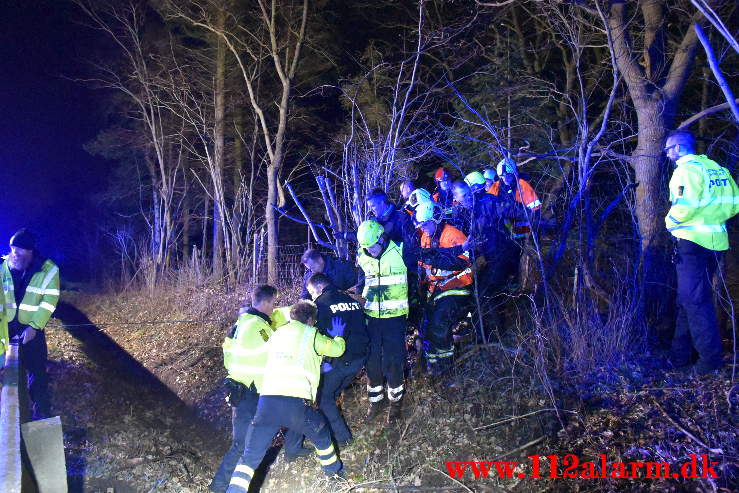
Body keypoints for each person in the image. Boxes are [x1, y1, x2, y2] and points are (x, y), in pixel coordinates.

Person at [225, 301, 347, 492]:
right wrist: (339, 336)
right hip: (296, 404)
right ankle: (336, 477)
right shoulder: (311, 333)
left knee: (249, 457)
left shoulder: (277, 333)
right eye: (313, 321)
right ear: (310, 320)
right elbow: (337, 350)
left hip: (266, 404)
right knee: (322, 435)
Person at [664, 129, 739, 375]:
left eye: (668, 149)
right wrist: (711, 218)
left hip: (691, 242)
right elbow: (734, 203)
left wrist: (670, 223)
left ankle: (709, 362)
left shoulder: (685, 172)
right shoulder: (716, 168)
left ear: (677, 148)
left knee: (696, 301)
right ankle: (679, 356)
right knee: (688, 298)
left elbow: (683, 207)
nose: (667, 155)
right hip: (715, 242)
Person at [284, 273, 368, 455]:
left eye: (311, 293)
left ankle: (344, 439)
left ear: (317, 288)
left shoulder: (320, 306)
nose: (311, 297)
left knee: (323, 398)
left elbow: (315, 338)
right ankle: (328, 423)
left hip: (340, 359)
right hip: (360, 357)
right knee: (331, 390)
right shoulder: (350, 300)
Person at [210, 285, 281, 492]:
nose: (273, 308)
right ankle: (226, 486)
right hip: (251, 392)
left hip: (241, 391)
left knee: (244, 444)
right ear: (267, 302)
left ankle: (222, 485)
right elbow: (276, 352)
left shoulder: (239, 326)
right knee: (245, 445)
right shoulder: (258, 326)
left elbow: (229, 360)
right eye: (273, 303)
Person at [355, 219, 414, 423]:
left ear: (382, 238)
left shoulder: (401, 250)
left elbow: (416, 274)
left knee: (393, 361)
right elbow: (363, 280)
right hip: (371, 317)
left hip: (395, 319)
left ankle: (396, 404)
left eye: (372, 246)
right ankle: (376, 402)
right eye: (366, 248)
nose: (369, 251)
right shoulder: (362, 254)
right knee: (371, 362)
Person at [0, 229, 59, 420]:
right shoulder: (3, 266)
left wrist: (35, 326)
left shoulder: (48, 270)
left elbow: (49, 301)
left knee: (37, 371)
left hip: (31, 329)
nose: (14, 254)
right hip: (4, 327)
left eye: (19, 250)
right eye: (12, 249)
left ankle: (41, 411)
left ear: (30, 251)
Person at [452, 180, 522, 340]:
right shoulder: (459, 215)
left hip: (500, 255)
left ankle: (496, 335)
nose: (467, 199)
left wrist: (522, 237)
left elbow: (519, 213)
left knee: (484, 293)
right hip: (480, 261)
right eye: (463, 197)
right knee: (474, 294)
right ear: (457, 198)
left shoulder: (488, 203)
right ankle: (480, 336)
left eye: (468, 194)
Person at [414, 202, 473, 376]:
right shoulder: (426, 237)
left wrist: (433, 262)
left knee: (439, 323)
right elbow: (423, 263)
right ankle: (432, 365)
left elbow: (462, 261)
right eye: (420, 225)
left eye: (425, 223)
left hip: (457, 286)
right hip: (436, 289)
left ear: (435, 219)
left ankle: (447, 368)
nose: (423, 228)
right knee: (426, 325)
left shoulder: (452, 235)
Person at [488, 158, 542, 238]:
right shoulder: (496, 186)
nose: (505, 179)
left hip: (523, 224)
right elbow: (488, 207)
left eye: (508, 175)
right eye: (502, 176)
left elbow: (536, 211)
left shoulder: (522, 185)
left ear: (515, 173)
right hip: (502, 226)